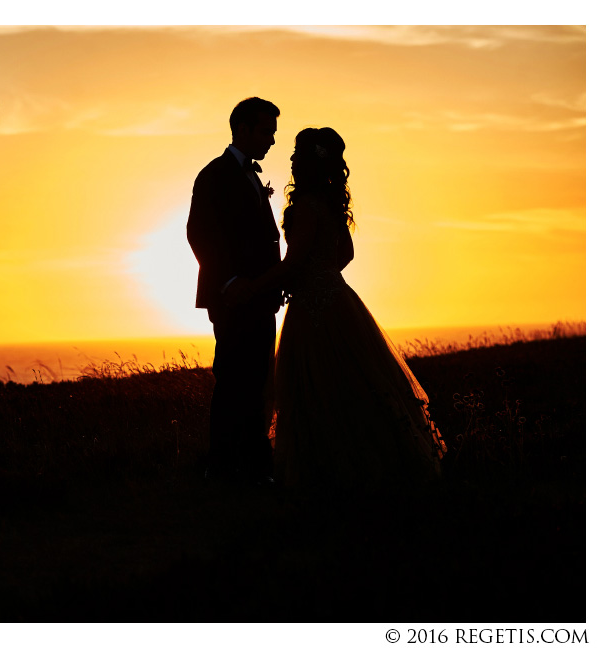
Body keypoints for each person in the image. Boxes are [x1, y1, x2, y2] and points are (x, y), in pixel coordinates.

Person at [237, 127, 446, 495]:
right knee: (356, 387)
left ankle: (325, 478)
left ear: (306, 162)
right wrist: (325, 274)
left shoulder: (305, 205)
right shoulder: (329, 203)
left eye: (295, 153)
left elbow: (294, 260)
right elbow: (345, 254)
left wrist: (255, 286)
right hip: (339, 299)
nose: (289, 158)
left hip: (313, 308)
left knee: (314, 389)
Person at [187, 97, 284, 485]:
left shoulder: (252, 176)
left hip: (261, 297)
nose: (272, 141)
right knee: (232, 381)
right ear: (242, 128)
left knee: (258, 381)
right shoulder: (214, 175)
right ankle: (223, 466)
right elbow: (200, 232)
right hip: (233, 299)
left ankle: (253, 463)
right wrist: (228, 282)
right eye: (266, 131)